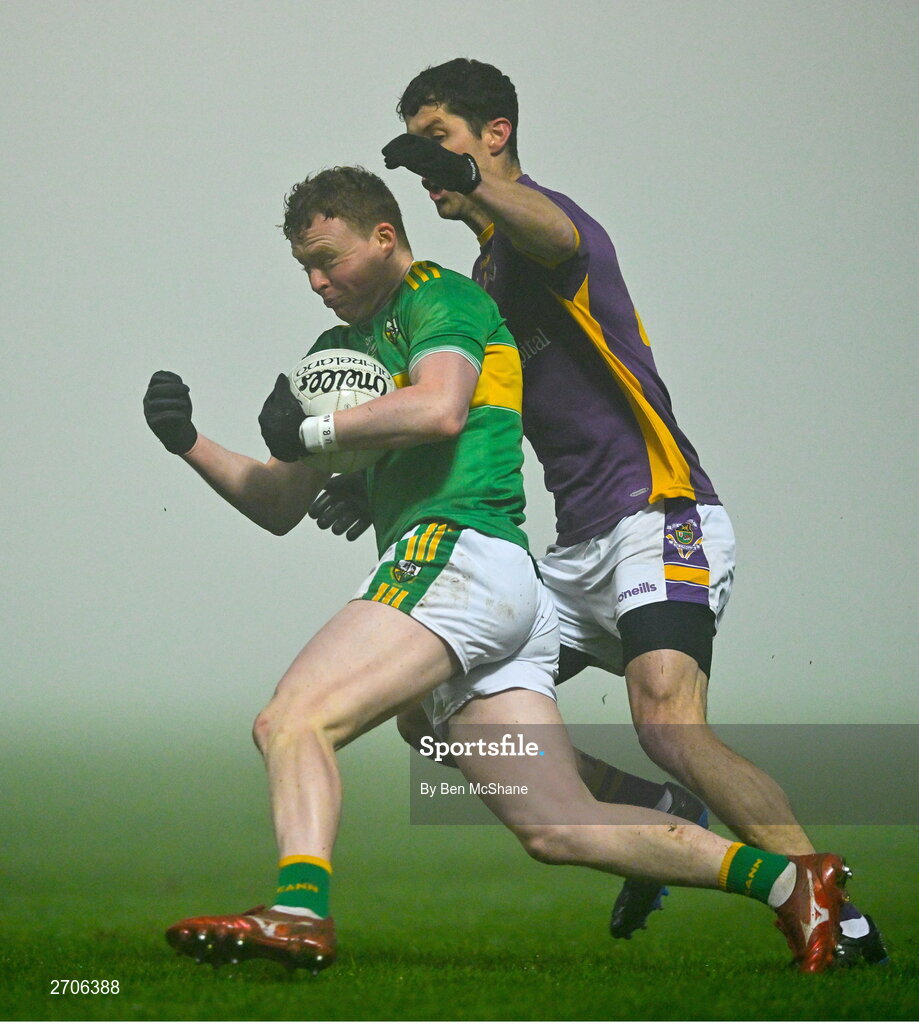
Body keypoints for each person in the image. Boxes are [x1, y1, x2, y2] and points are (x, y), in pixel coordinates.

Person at [145, 166, 849, 975]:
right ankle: (794, 886)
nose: (317, 282)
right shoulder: (334, 353)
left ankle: (300, 913)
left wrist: (316, 433)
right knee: (558, 827)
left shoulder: (441, 300)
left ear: (384, 237)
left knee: (293, 721)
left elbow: (440, 406)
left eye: (328, 259)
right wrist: (190, 442)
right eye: (304, 267)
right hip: (496, 597)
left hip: (455, 556)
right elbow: (279, 504)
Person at [312, 59, 886, 963]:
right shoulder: (483, 279)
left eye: (441, 143)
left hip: (659, 512)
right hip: (574, 550)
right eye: (421, 152)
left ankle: (831, 909)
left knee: (667, 720)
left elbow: (552, 229)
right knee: (424, 716)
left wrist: (476, 184)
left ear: (494, 133)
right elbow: (466, 409)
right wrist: (363, 474)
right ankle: (654, 817)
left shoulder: (547, 227)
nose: (428, 170)